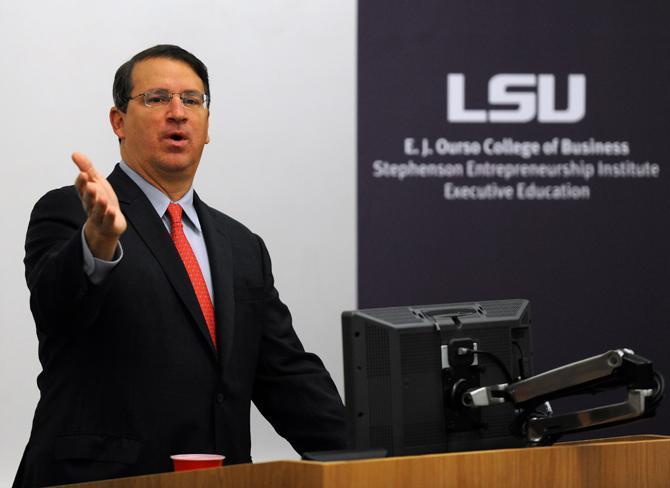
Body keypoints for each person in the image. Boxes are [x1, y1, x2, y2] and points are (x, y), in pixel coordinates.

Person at [14, 45, 347, 487]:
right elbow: (57, 310)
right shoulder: (71, 212)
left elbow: (287, 376)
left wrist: (375, 460)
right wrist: (98, 240)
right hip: (101, 478)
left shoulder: (242, 246)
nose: (178, 113)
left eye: (192, 100)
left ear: (207, 126)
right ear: (118, 121)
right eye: (156, 98)